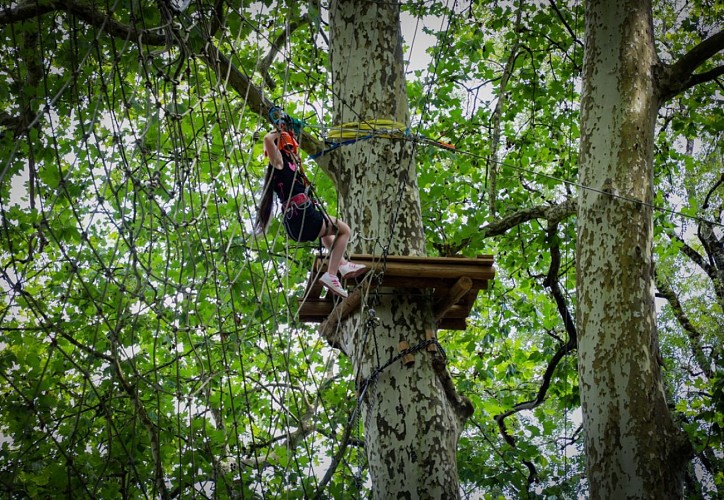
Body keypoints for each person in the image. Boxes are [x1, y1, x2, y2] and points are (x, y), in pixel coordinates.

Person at [254, 128, 366, 298]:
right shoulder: (280, 162)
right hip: (303, 217)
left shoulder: (289, 169)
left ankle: (342, 264)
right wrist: (279, 130)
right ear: (286, 149)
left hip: (297, 220)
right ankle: (332, 274)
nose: (296, 155)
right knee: (344, 230)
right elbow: (268, 140)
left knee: (326, 234)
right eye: (292, 150)